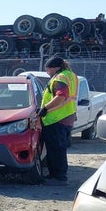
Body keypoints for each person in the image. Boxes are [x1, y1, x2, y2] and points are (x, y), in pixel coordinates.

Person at [39, 55, 78, 186]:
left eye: (48, 69)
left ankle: (59, 177)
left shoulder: (60, 78)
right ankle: (55, 175)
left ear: (54, 68)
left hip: (57, 118)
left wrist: (45, 108)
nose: (47, 72)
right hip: (67, 116)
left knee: (56, 149)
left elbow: (61, 97)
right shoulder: (70, 75)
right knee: (58, 149)